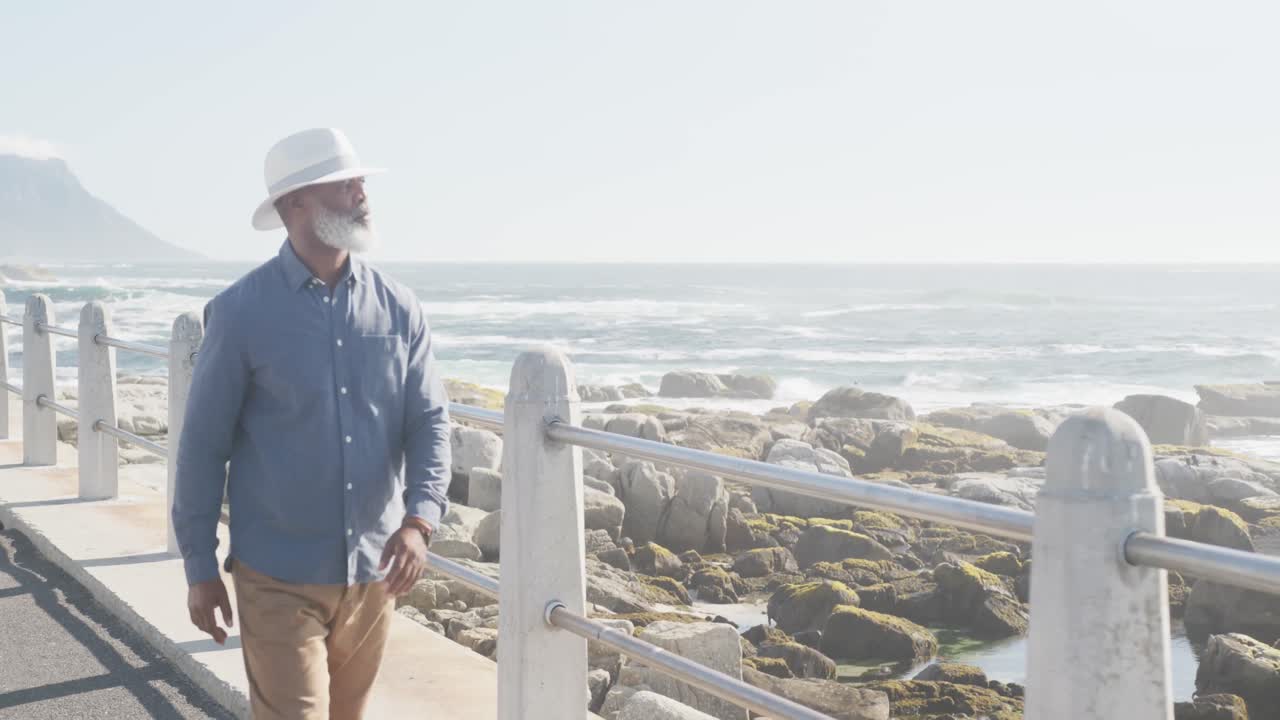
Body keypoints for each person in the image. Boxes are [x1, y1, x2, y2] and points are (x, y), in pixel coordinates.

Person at [171, 127, 452, 720]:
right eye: (344, 183)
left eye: (360, 181)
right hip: (277, 575)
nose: (361, 193)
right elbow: (203, 447)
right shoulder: (240, 313)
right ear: (295, 203)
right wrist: (200, 567)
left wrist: (420, 520)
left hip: (374, 574)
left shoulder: (400, 308)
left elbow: (429, 420)